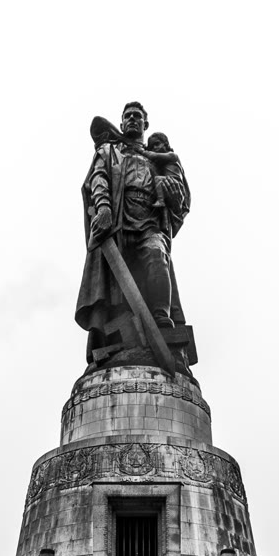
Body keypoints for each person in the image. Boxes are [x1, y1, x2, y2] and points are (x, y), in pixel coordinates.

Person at [75, 102, 193, 368]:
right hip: (118, 221)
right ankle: (120, 344)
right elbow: (98, 179)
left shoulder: (158, 157)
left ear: (145, 124)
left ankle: (161, 320)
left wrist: (171, 189)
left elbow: (181, 197)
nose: (132, 119)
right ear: (121, 122)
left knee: (156, 255)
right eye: (127, 116)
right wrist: (103, 207)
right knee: (117, 288)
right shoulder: (109, 151)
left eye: (137, 116)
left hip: (150, 220)